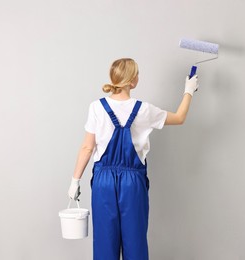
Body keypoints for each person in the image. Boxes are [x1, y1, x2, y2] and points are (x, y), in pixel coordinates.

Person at [67, 58, 199, 260]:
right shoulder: (144, 110)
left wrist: (75, 181)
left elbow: (87, 147)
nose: (138, 77)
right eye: (137, 74)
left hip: (103, 182)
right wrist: (189, 90)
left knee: (104, 243)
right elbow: (179, 118)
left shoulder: (96, 107)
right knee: (135, 243)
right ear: (131, 81)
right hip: (133, 184)